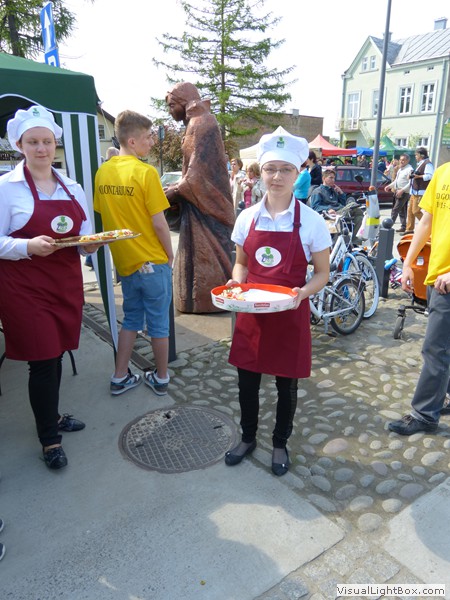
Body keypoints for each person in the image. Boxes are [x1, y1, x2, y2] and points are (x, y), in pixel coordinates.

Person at [224, 129, 331, 476]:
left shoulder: (311, 222)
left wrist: (302, 293)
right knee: (247, 383)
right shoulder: (247, 217)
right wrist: (236, 283)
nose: (277, 176)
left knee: (287, 386)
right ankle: (247, 438)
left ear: (297, 172)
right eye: (271, 169)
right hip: (252, 314)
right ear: (261, 172)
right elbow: (241, 264)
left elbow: (322, 274)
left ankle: (280, 443)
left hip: (290, 313)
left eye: (286, 169)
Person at [0, 105, 98, 470]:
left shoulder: (73, 187)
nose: (41, 148)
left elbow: (84, 235)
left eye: (46, 141)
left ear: (55, 143)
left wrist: (90, 246)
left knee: (55, 355)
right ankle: (49, 440)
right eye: (33, 142)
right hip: (24, 287)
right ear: (19, 145)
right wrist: (27, 245)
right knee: (42, 360)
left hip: (63, 283)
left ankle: (52, 415)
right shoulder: (6, 189)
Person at [94, 110, 173, 397]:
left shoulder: (103, 172)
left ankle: (119, 376)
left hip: (126, 263)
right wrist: (170, 255)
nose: (151, 142)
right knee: (159, 324)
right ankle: (161, 377)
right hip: (153, 260)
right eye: (148, 137)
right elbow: (159, 223)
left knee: (130, 320)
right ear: (132, 140)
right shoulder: (145, 172)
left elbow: (104, 214)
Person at [388, 162, 450, 435]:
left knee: (436, 348)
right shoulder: (444, 172)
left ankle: (424, 414)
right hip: (437, 276)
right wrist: (408, 262)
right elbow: (427, 220)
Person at [164, 82, 235, 313]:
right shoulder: (194, 123)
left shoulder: (203, 123)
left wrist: (176, 190)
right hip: (196, 204)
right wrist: (177, 187)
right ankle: (195, 301)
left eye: (172, 105)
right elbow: (191, 171)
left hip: (210, 205)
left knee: (210, 256)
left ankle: (207, 300)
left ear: (184, 102)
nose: (170, 111)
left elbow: (199, 173)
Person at [310, 169, 364, 242]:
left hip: (340, 211)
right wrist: (327, 209)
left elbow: (343, 204)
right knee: (353, 205)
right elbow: (315, 207)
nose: (333, 180)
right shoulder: (318, 191)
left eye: (334, 178)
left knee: (360, 217)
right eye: (331, 178)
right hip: (332, 213)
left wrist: (341, 193)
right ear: (324, 178)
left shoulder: (334, 190)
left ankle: (355, 241)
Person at [405, 147, 434, 235]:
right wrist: (412, 176)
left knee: (416, 211)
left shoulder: (427, 164)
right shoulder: (420, 164)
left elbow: (430, 176)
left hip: (420, 192)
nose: (415, 156)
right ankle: (409, 229)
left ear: (422, 155)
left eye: (416, 155)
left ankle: (428, 226)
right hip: (414, 191)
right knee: (410, 211)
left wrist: (418, 176)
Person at [384, 153, 413, 233]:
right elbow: (396, 181)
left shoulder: (409, 169)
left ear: (407, 160)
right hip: (397, 191)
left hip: (404, 193)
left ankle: (388, 226)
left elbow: (411, 183)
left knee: (395, 210)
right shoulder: (401, 169)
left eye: (403, 160)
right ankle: (403, 226)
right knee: (401, 211)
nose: (401, 161)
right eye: (400, 159)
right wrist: (389, 186)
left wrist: (402, 190)